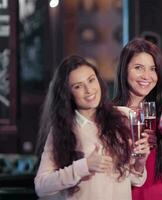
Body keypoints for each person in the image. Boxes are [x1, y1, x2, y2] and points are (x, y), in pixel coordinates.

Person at [35, 55, 149, 200]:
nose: (89, 90)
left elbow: (133, 179)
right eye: (78, 86)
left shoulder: (122, 118)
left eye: (91, 80)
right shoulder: (63, 129)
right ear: (68, 93)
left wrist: (140, 163)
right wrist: (84, 166)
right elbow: (41, 186)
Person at [113, 38, 162, 200]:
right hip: (126, 193)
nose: (147, 76)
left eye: (153, 69)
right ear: (124, 69)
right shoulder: (110, 113)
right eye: (138, 68)